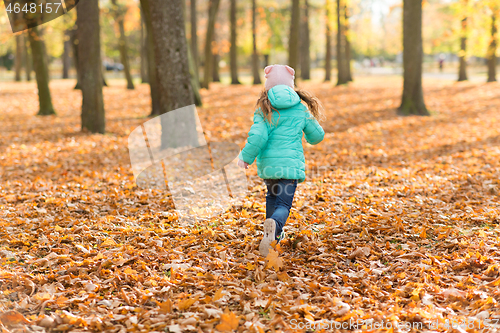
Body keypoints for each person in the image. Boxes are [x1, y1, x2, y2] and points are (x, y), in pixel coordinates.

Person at [237, 64, 325, 257]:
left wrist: (245, 157)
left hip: (270, 167)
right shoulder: (300, 108)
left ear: (268, 86)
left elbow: (258, 136)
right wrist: (309, 137)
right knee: (283, 205)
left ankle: (271, 237)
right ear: (290, 84)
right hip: (290, 168)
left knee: (272, 197)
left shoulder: (265, 107)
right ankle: (275, 227)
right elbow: (317, 135)